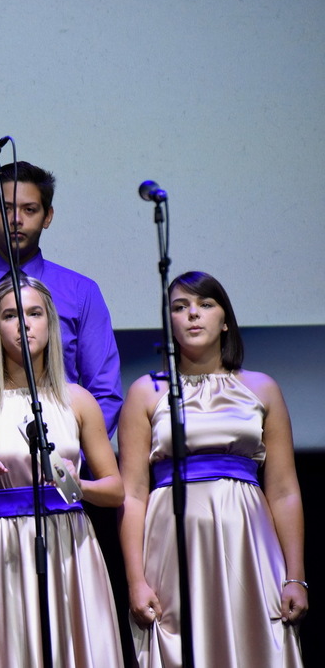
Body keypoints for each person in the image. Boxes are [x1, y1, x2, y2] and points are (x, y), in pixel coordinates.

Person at [118, 271, 306, 667]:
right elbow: (132, 494)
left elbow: (284, 490)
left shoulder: (261, 388)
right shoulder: (146, 392)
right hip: (173, 544)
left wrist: (295, 576)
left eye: (205, 304)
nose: (193, 314)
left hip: (248, 544)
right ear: (169, 322)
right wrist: (135, 579)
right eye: (180, 307)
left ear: (225, 321)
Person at [0, 276, 123, 667]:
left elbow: (116, 490)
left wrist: (77, 485)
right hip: (3, 547)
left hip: (71, 545)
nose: (24, 324)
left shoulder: (78, 400)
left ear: (50, 322)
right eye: (10, 315)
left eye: (34, 313)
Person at [0, 161, 122, 434]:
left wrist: (70, 450)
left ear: (47, 216)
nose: (16, 219)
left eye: (29, 209)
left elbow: (105, 393)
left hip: (62, 450)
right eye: (6, 208)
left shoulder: (81, 293)